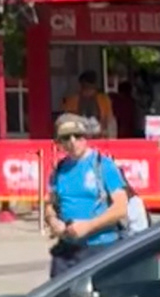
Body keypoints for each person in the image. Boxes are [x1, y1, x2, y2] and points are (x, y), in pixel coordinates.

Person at [44, 112, 130, 275]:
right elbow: (50, 205)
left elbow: (121, 208)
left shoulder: (103, 165)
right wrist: (53, 221)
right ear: (59, 142)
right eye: (66, 138)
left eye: (77, 136)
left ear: (85, 137)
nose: (72, 142)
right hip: (67, 250)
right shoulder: (59, 170)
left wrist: (88, 226)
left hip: (100, 248)